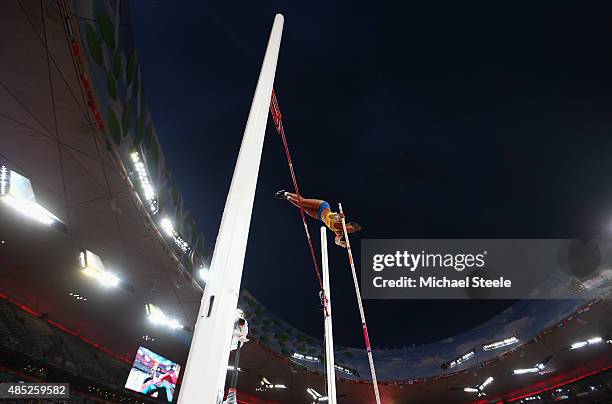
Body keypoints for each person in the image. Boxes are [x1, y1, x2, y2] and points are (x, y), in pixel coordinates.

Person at [275, 190, 361, 248]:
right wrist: (338, 216)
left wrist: (340, 243)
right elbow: (331, 216)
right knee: (303, 201)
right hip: (322, 206)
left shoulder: (339, 233)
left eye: (351, 232)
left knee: (302, 207)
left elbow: (336, 240)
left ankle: (286, 198)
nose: (349, 231)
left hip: (318, 215)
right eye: (350, 229)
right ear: (349, 224)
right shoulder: (341, 219)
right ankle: (286, 193)